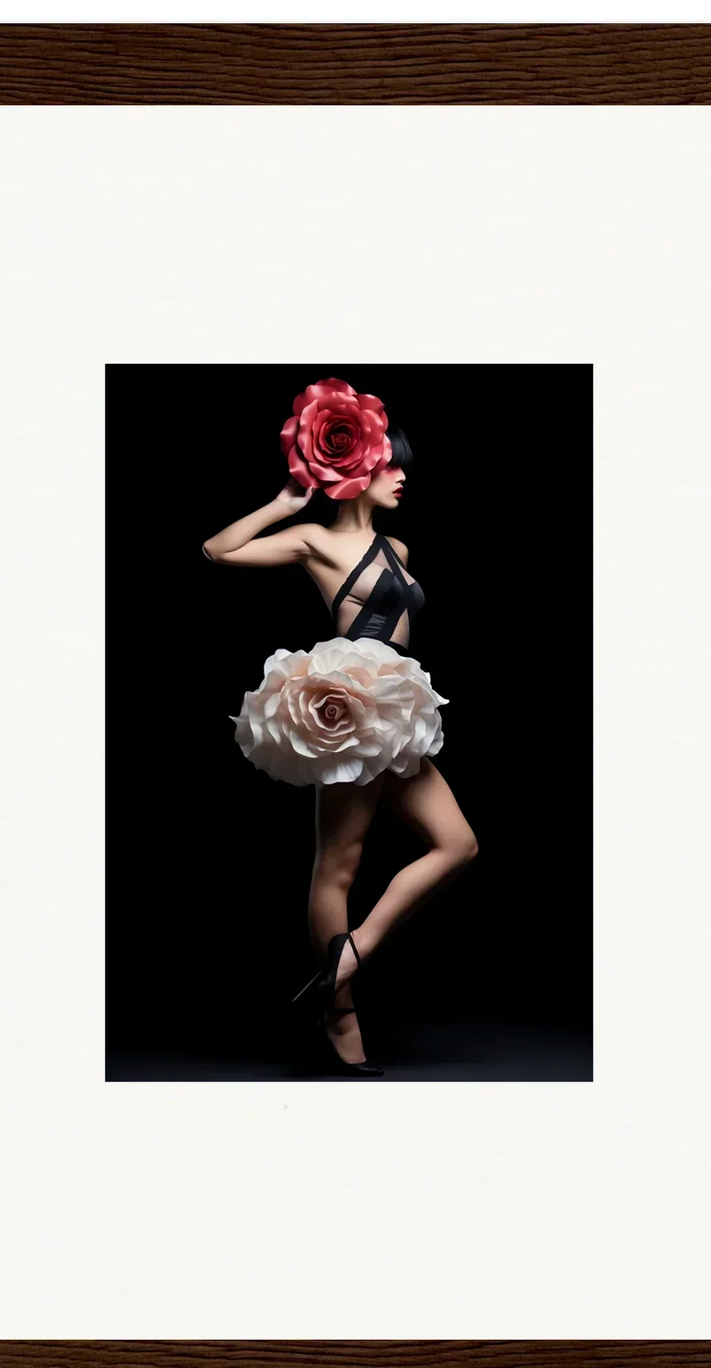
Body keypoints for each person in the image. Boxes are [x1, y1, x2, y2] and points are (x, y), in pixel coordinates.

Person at [202, 379, 478, 1078]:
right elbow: (217, 550)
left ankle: (348, 954)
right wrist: (283, 502)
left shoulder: (400, 549)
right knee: (339, 864)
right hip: (349, 707)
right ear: (355, 471)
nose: (402, 476)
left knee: (457, 844)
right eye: (390, 464)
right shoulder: (315, 540)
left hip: (395, 708)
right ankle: (340, 1011)